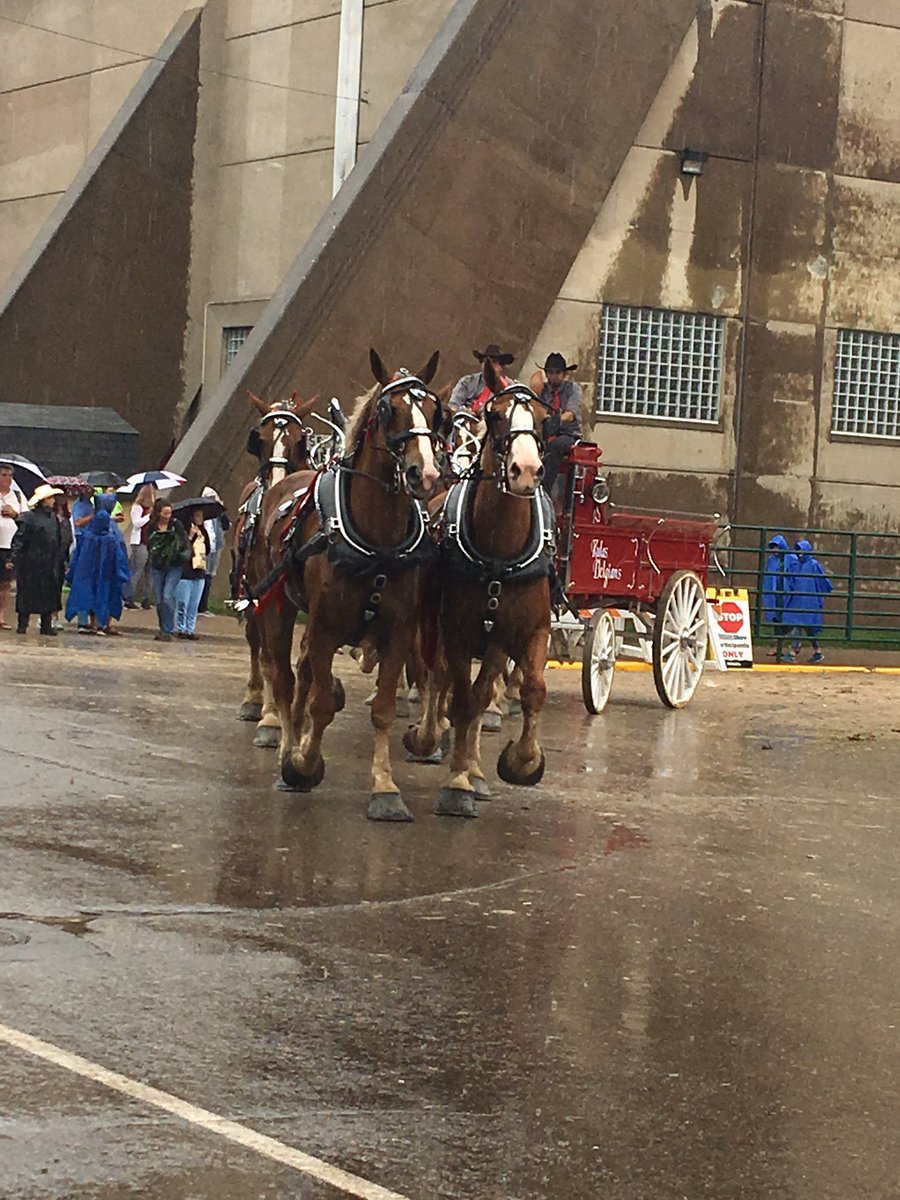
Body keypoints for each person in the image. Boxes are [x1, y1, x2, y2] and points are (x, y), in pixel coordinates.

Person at [11, 484, 66, 636]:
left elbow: (58, 539)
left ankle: (46, 625)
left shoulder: (53, 518)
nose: (53, 500)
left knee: (48, 595)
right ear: (42, 500)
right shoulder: (29, 517)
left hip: (49, 563)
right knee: (27, 594)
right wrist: (14, 557)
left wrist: (61, 558)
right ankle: (23, 625)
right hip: (30, 562)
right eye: (50, 498)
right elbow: (20, 539)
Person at [65, 509, 131, 637]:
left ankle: (83, 623)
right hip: (105, 575)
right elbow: (118, 558)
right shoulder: (111, 539)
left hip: (85, 573)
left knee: (84, 596)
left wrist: (72, 572)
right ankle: (101, 624)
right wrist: (122, 573)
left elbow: (77, 556)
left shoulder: (86, 537)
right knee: (103, 598)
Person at [532, 352, 582, 497]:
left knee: (555, 447)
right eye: (550, 373)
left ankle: (543, 491)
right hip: (545, 434)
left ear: (564, 374)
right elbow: (536, 408)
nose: (554, 376)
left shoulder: (573, 389)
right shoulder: (543, 390)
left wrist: (556, 421)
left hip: (568, 435)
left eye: (558, 373)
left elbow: (570, 414)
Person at [147, 499, 188, 643]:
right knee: (159, 601)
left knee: (167, 596)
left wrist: (173, 544)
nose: (167, 516)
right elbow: (150, 544)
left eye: (169, 513)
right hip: (158, 566)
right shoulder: (152, 526)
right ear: (158, 513)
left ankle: (169, 629)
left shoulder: (176, 525)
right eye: (165, 513)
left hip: (174, 566)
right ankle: (163, 628)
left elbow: (184, 541)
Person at [789, 539, 833, 663]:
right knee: (806, 628)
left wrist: (819, 596)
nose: (800, 553)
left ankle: (793, 652)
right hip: (799, 600)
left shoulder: (813, 564)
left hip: (810, 600)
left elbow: (823, 581)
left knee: (802, 625)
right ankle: (817, 651)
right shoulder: (796, 565)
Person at [762, 535, 800, 662]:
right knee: (776, 619)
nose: (775, 550)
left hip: (788, 594)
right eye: (773, 547)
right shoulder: (772, 559)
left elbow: (795, 577)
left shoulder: (791, 559)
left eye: (777, 547)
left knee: (791, 619)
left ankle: (794, 646)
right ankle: (777, 646)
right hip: (774, 594)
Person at [174, 508, 211, 640]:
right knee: (183, 603)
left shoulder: (203, 532)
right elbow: (182, 549)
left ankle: (190, 629)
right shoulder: (183, 531)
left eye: (201, 516)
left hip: (199, 571)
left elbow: (207, 549)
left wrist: (202, 536)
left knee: (194, 604)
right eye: (197, 515)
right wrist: (190, 536)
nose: (200, 518)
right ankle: (180, 628)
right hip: (185, 572)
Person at [449, 342, 515, 414]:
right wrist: (467, 412)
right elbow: (453, 406)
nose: (488, 366)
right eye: (485, 362)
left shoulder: (511, 388)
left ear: (501, 366)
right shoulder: (466, 382)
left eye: (494, 362)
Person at [0, 463, 27, 630]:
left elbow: (26, 518)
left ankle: (1, 615)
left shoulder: (17, 496)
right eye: (4, 475)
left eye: (10, 475)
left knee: (5, 583)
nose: (8, 479)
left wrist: (15, 514)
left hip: (9, 545)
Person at [124, 484, 156, 610]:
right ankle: (128, 597)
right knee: (137, 569)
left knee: (150, 572)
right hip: (140, 542)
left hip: (151, 542)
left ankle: (146, 598)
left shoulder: (153, 509)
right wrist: (149, 516)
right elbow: (137, 523)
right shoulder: (137, 508)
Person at [198, 486, 229, 615]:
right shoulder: (200, 514)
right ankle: (199, 605)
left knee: (209, 576)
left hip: (215, 548)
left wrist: (221, 509)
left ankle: (204, 606)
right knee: (201, 576)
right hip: (203, 549)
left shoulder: (217, 516)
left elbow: (226, 526)